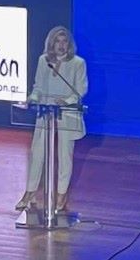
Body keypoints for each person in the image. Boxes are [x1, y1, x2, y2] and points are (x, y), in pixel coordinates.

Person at [15, 25, 88, 212]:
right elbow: (38, 87)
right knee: (37, 153)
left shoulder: (78, 63)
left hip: (67, 114)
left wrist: (66, 101)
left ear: (69, 44)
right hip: (45, 113)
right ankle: (30, 192)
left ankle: (61, 195)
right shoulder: (43, 61)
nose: (61, 45)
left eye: (64, 41)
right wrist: (32, 99)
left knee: (65, 156)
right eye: (57, 41)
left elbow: (80, 90)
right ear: (51, 43)